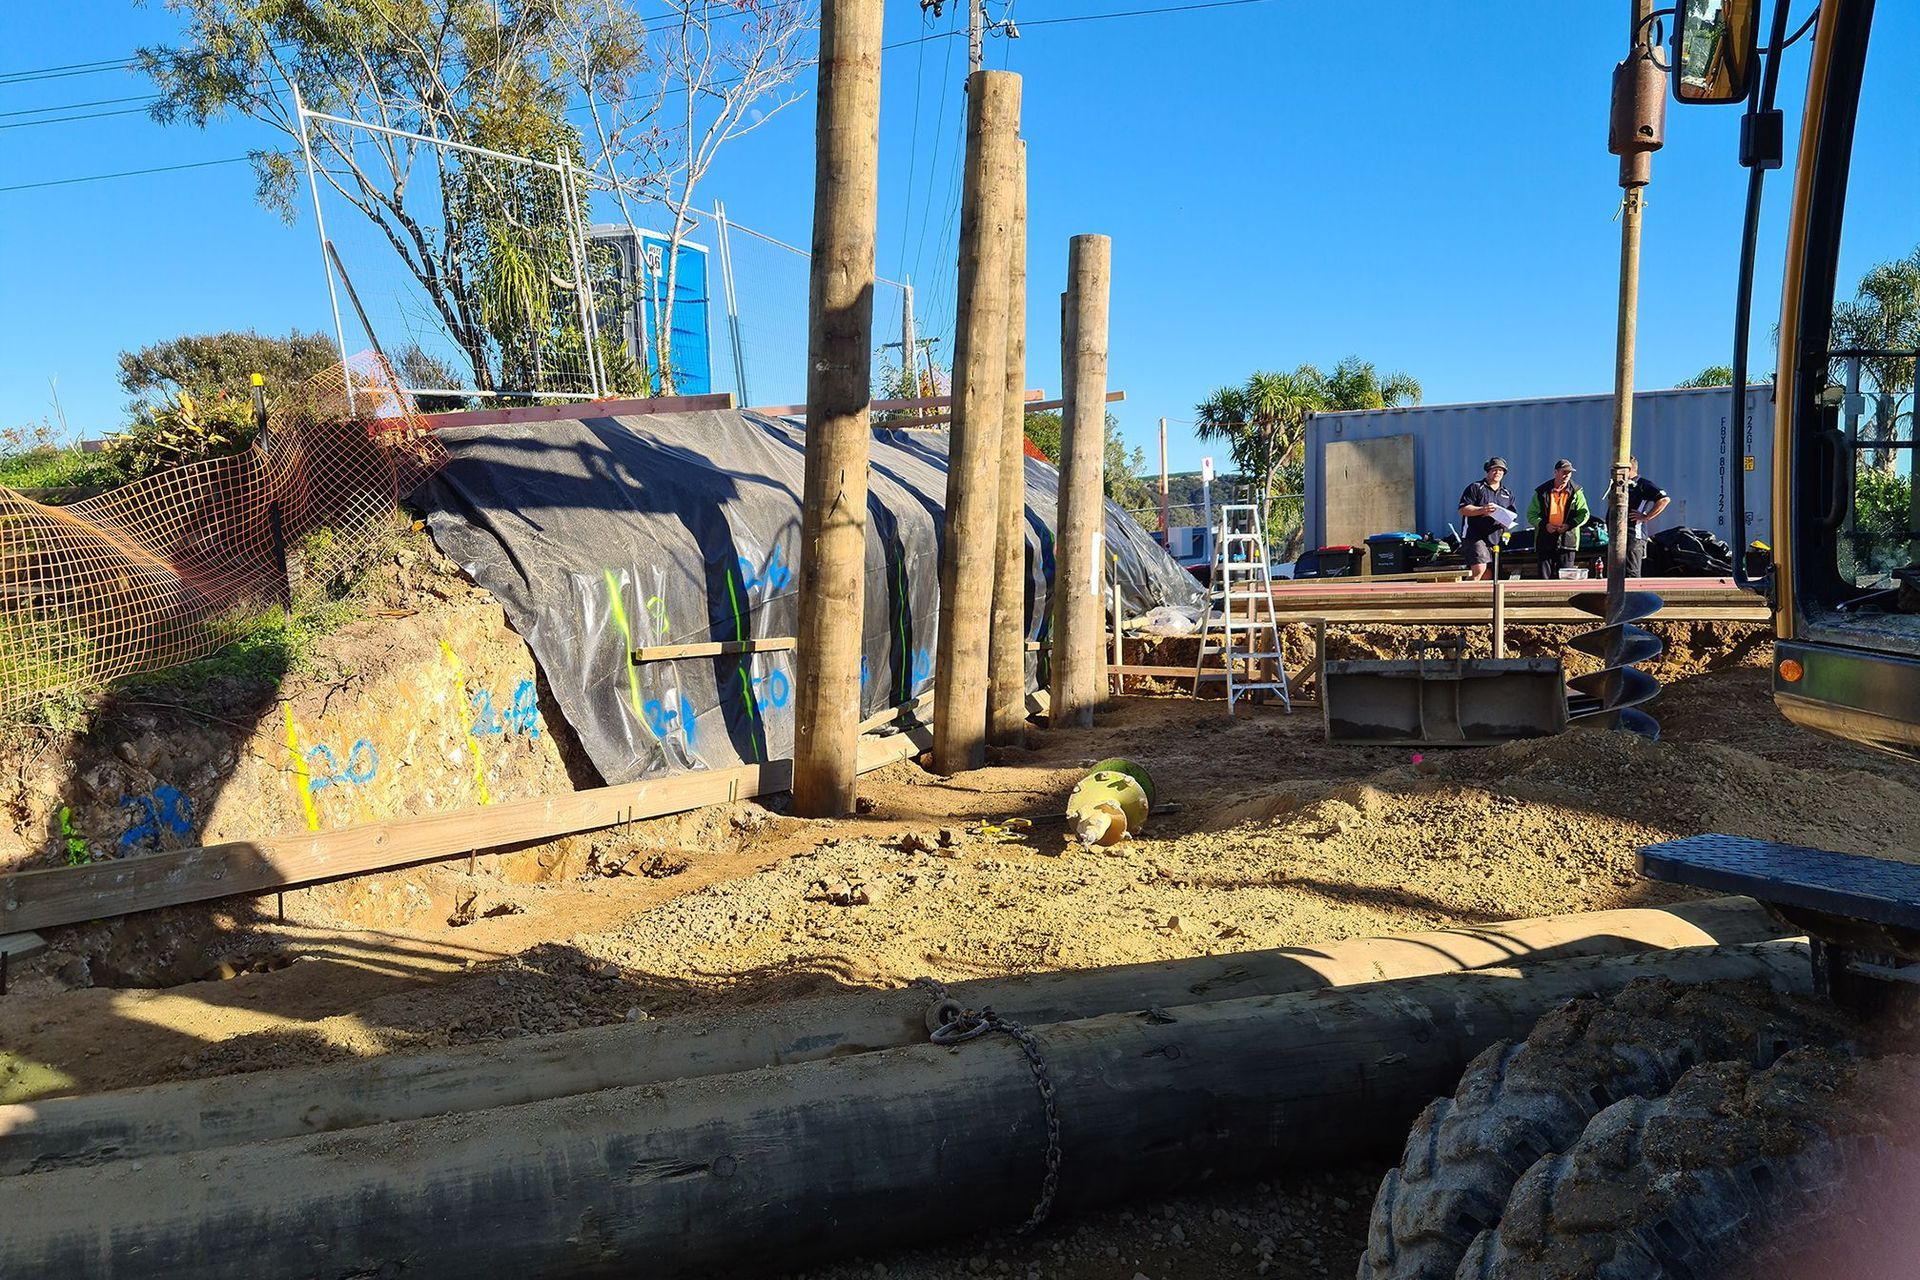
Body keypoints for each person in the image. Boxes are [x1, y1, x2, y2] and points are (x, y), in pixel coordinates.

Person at [1604, 456, 1671, 578]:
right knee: (1615, 572)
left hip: (1633, 535)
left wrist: (1646, 516)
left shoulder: (1642, 484)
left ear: (1629, 468)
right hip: (1616, 534)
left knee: (1631, 572)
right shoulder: (1619, 485)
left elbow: (1664, 499)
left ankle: (1633, 595)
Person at [1528, 459, 1591, 580]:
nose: (1567, 475)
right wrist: (1544, 525)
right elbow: (1531, 514)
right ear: (1555, 472)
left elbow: (1584, 513)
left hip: (1568, 541)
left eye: (1570, 472)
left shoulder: (1576, 491)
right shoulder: (1541, 492)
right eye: (1564, 472)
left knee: (1567, 579)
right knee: (1544, 579)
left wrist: (1569, 525)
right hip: (1545, 540)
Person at [1456, 457, 1517, 581]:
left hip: (1495, 538)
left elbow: (1512, 515)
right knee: (1479, 569)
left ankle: (1479, 598)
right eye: (1494, 469)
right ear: (1488, 471)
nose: (1497, 472)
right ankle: (1464, 596)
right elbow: (1463, 509)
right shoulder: (1475, 487)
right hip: (1474, 536)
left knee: (1488, 574)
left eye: (1501, 470)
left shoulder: (1507, 493)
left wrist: (1506, 524)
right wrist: (1482, 510)